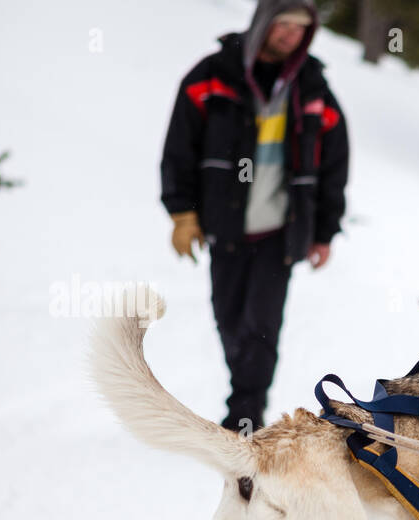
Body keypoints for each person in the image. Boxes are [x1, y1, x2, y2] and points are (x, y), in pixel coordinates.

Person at [161, 0, 348, 431]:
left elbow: (335, 164)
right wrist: (182, 214)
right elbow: (179, 149)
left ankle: (244, 415)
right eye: (283, 25)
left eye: (301, 29)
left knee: (261, 325)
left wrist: (324, 231)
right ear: (264, 22)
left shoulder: (311, 86)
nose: (290, 36)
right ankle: (243, 393)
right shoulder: (211, 76)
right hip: (225, 226)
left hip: (281, 230)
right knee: (228, 319)